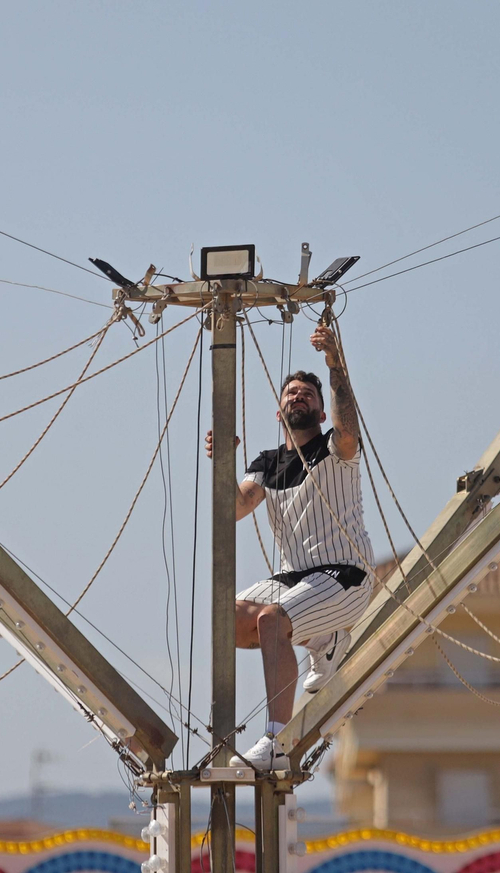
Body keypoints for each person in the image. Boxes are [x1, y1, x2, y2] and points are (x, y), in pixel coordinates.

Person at [203, 323, 374, 771]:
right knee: (227, 622)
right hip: (295, 578)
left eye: (307, 395)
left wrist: (334, 365)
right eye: (291, 394)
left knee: (273, 621)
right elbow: (235, 508)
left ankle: (275, 743)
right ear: (279, 412)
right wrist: (223, 461)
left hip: (345, 577)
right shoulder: (267, 463)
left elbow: (349, 426)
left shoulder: (336, 447)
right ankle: (325, 637)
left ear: (320, 413)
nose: (298, 397)